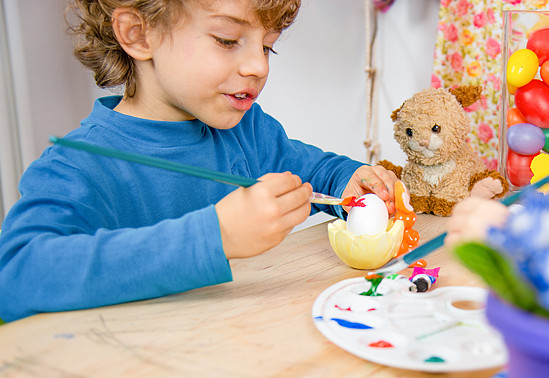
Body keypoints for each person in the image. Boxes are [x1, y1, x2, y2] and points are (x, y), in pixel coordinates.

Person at [0, 0, 398, 322]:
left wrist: (350, 180)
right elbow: (15, 276)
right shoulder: (79, 165)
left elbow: (313, 175)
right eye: (227, 39)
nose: (259, 67)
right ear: (138, 35)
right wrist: (214, 237)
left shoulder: (248, 131)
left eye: (267, 45)